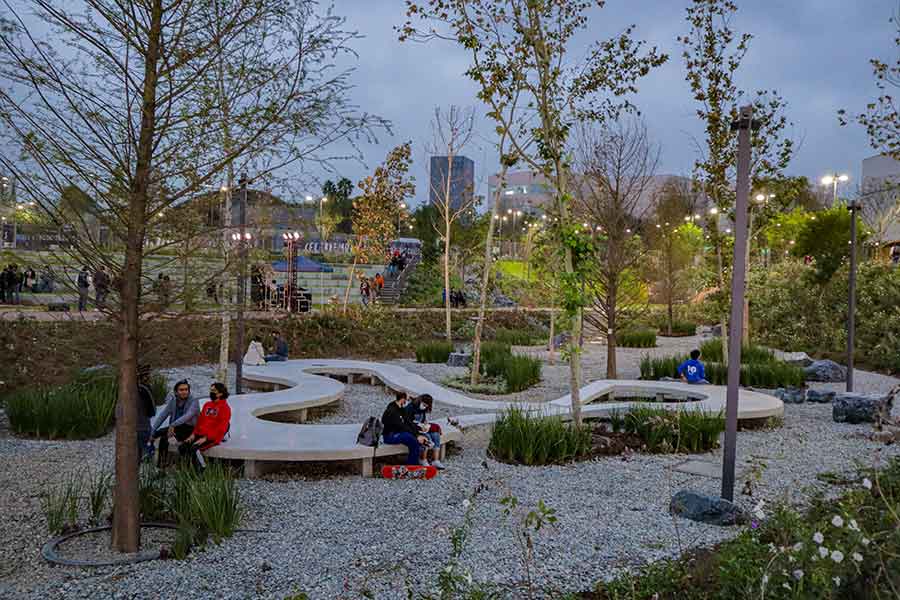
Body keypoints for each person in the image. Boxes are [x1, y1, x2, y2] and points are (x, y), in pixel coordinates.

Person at [180, 382, 232, 470]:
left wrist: (206, 438)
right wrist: (193, 434)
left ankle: (202, 469)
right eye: (211, 390)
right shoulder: (207, 405)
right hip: (200, 434)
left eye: (214, 391)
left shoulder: (225, 408)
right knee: (183, 447)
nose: (211, 392)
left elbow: (221, 428)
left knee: (194, 448)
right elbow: (200, 421)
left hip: (212, 437)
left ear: (220, 393)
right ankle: (187, 469)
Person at [150, 379, 199, 467]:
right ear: (176, 392)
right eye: (181, 390)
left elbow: (188, 416)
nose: (184, 392)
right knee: (156, 434)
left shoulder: (194, 401)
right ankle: (160, 465)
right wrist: (153, 430)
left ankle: (181, 466)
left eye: (186, 389)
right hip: (177, 427)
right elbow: (162, 416)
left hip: (190, 428)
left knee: (166, 438)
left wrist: (172, 425)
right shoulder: (173, 401)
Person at [381, 392, 430, 466]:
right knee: (412, 439)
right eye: (407, 399)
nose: (408, 401)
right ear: (403, 399)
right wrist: (417, 436)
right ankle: (412, 465)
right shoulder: (392, 410)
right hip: (390, 436)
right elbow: (402, 426)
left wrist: (418, 431)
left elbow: (408, 422)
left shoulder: (401, 408)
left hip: (398, 433)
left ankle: (414, 462)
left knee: (414, 438)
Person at [405, 394, 445, 469]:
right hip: (412, 429)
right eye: (424, 405)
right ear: (420, 401)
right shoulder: (410, 407)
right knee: (427, 437)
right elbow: (407, 423)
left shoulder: (423, 409)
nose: (425, 407)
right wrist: (419, 426)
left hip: (421, 428)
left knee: (436, 435)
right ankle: (423, 459)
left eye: (426, 406)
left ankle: (435, 460)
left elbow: (422, 420)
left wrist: (425, 424)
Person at [136, 365, 157, 460]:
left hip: (129, 427)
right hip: (143, 425)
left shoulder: (125, 388)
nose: (148, 377)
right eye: (147, 375)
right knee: (149, 451)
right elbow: (152, 410)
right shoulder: (145, 388)